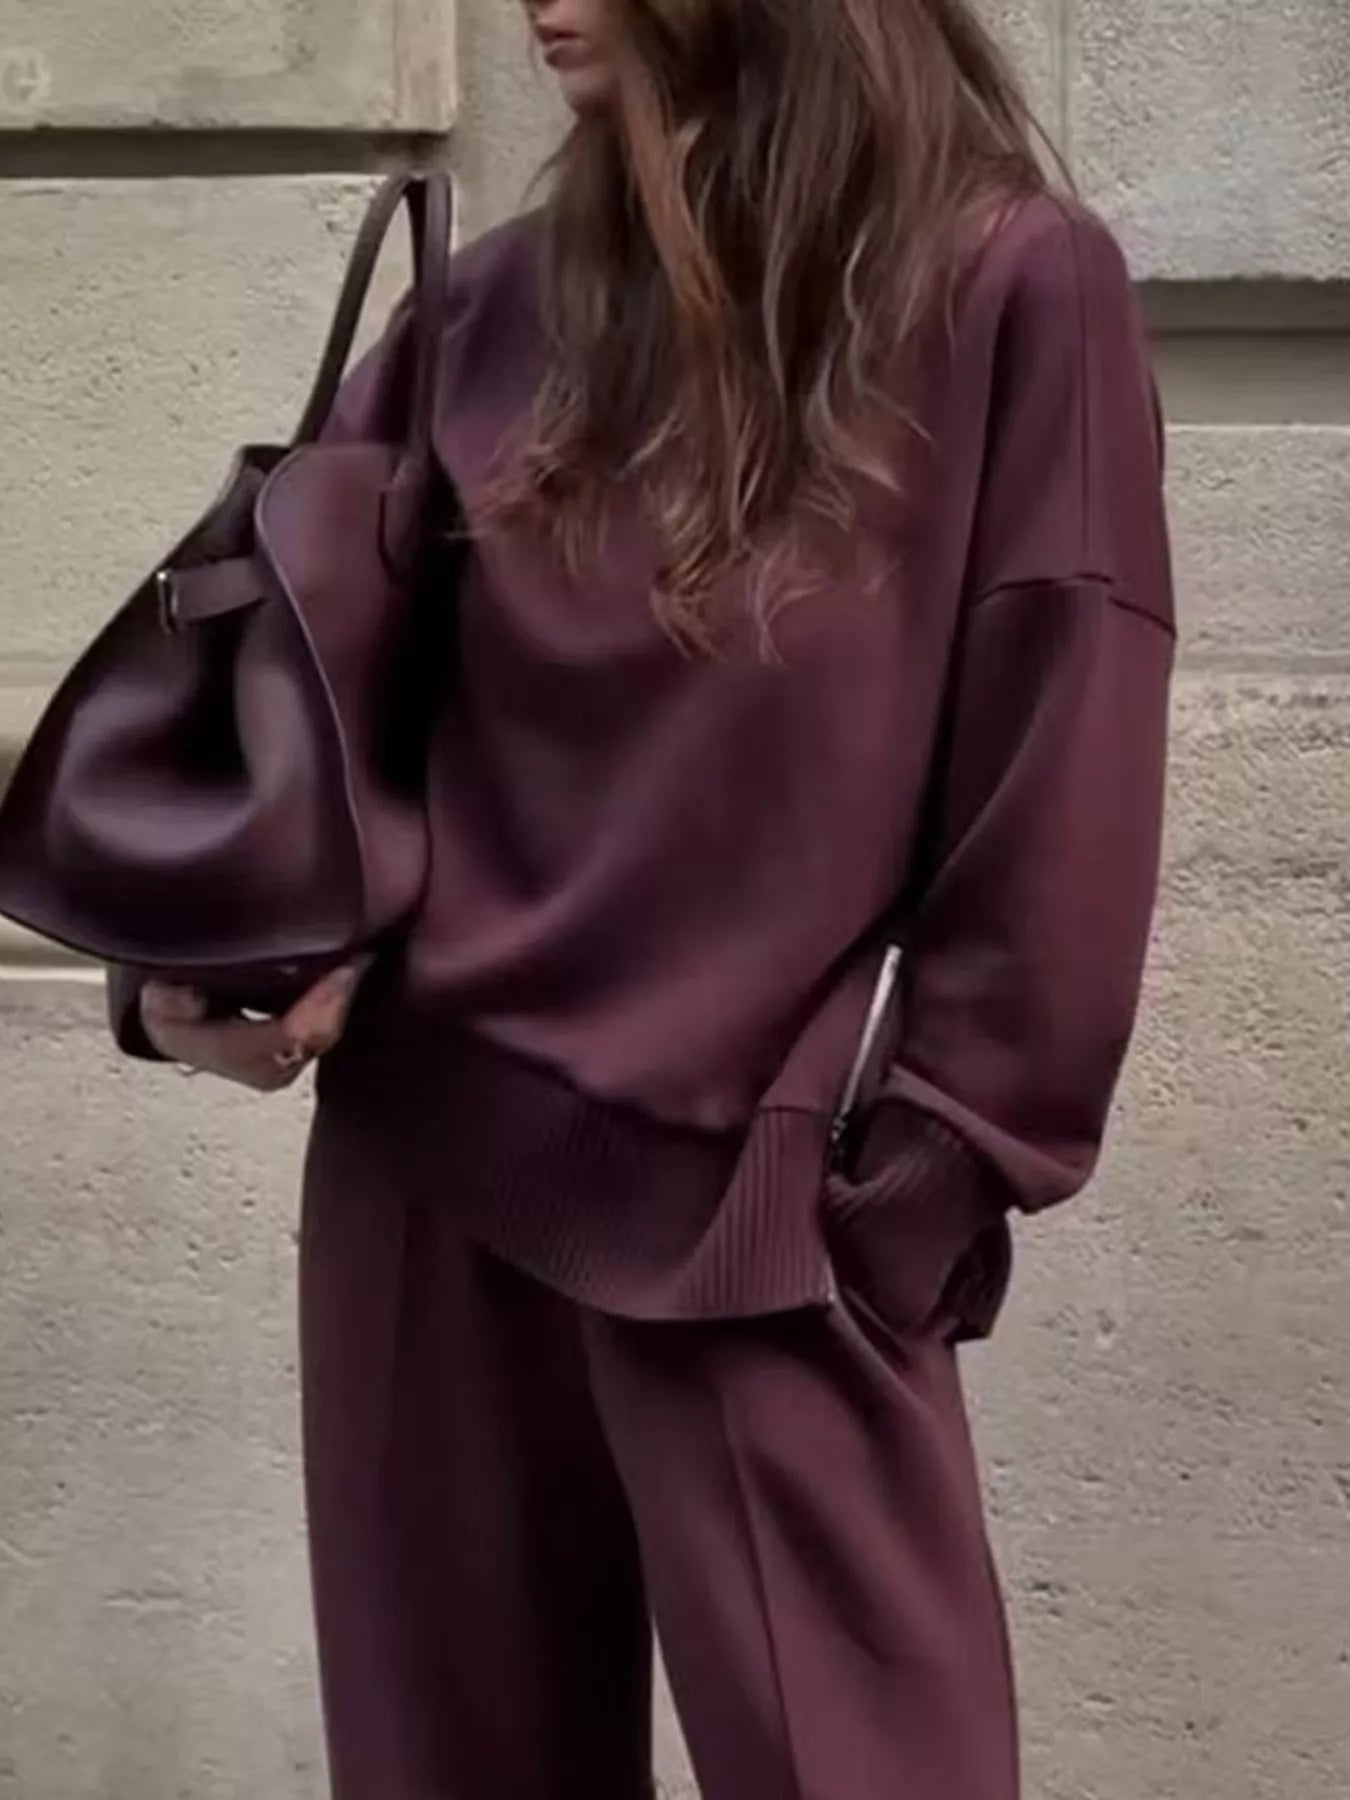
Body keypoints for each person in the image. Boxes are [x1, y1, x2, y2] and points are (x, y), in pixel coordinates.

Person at [111, 0, 1175, 1794]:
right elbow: (317, 715)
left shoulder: (1007, 285)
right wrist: (192, 967)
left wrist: (921, 1187)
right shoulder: (487, 308)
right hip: (423, 1176)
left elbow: (1064, 752)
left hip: (759, 1225)